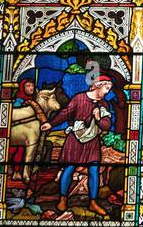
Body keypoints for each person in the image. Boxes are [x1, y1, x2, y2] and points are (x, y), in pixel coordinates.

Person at [43, 75, 113, 216]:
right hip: (75, 139)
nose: (107, 92)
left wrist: (98, 118)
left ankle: (93, 202)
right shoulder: (79, 98)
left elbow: (106, 125)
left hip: (92, 141)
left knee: (94, 170)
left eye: (109, 89)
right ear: (98, 85)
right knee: (69, 168)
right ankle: (63, 199)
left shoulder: (104, 105)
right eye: (106, 88)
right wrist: (51, 124)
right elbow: (65, 113)